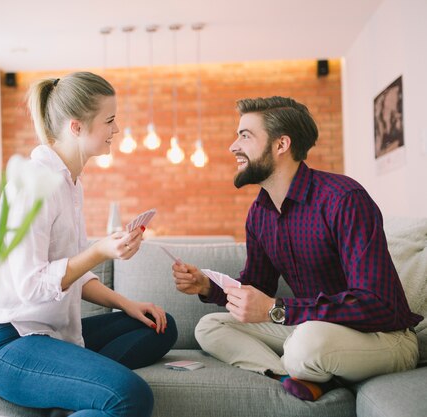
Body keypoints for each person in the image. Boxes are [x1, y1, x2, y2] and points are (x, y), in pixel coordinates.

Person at [172, 96, 422, 401]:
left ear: (281, 145)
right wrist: (208, 287)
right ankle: (292, 376)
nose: (233, 146)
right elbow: (257, 290)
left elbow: (377, 304)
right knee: (210, 327)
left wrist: (278, 310)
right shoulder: (260, 213)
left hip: (382, 337)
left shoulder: (344, 199)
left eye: (245, 136)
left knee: (306, 344)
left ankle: (307, 367)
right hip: (311, 329)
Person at [0, 72, 177, 417]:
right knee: (131, 396)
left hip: (51, 332)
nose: (116, 130)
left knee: (160, 325)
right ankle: (86, 390)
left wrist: (125, 303)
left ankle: (77, 392)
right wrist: (99, 251)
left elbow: (74, 272)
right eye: (110, 121)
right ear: (76, 127)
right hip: (11, 341)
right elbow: (31, 285)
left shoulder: (70, 183)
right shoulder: (35, 186)